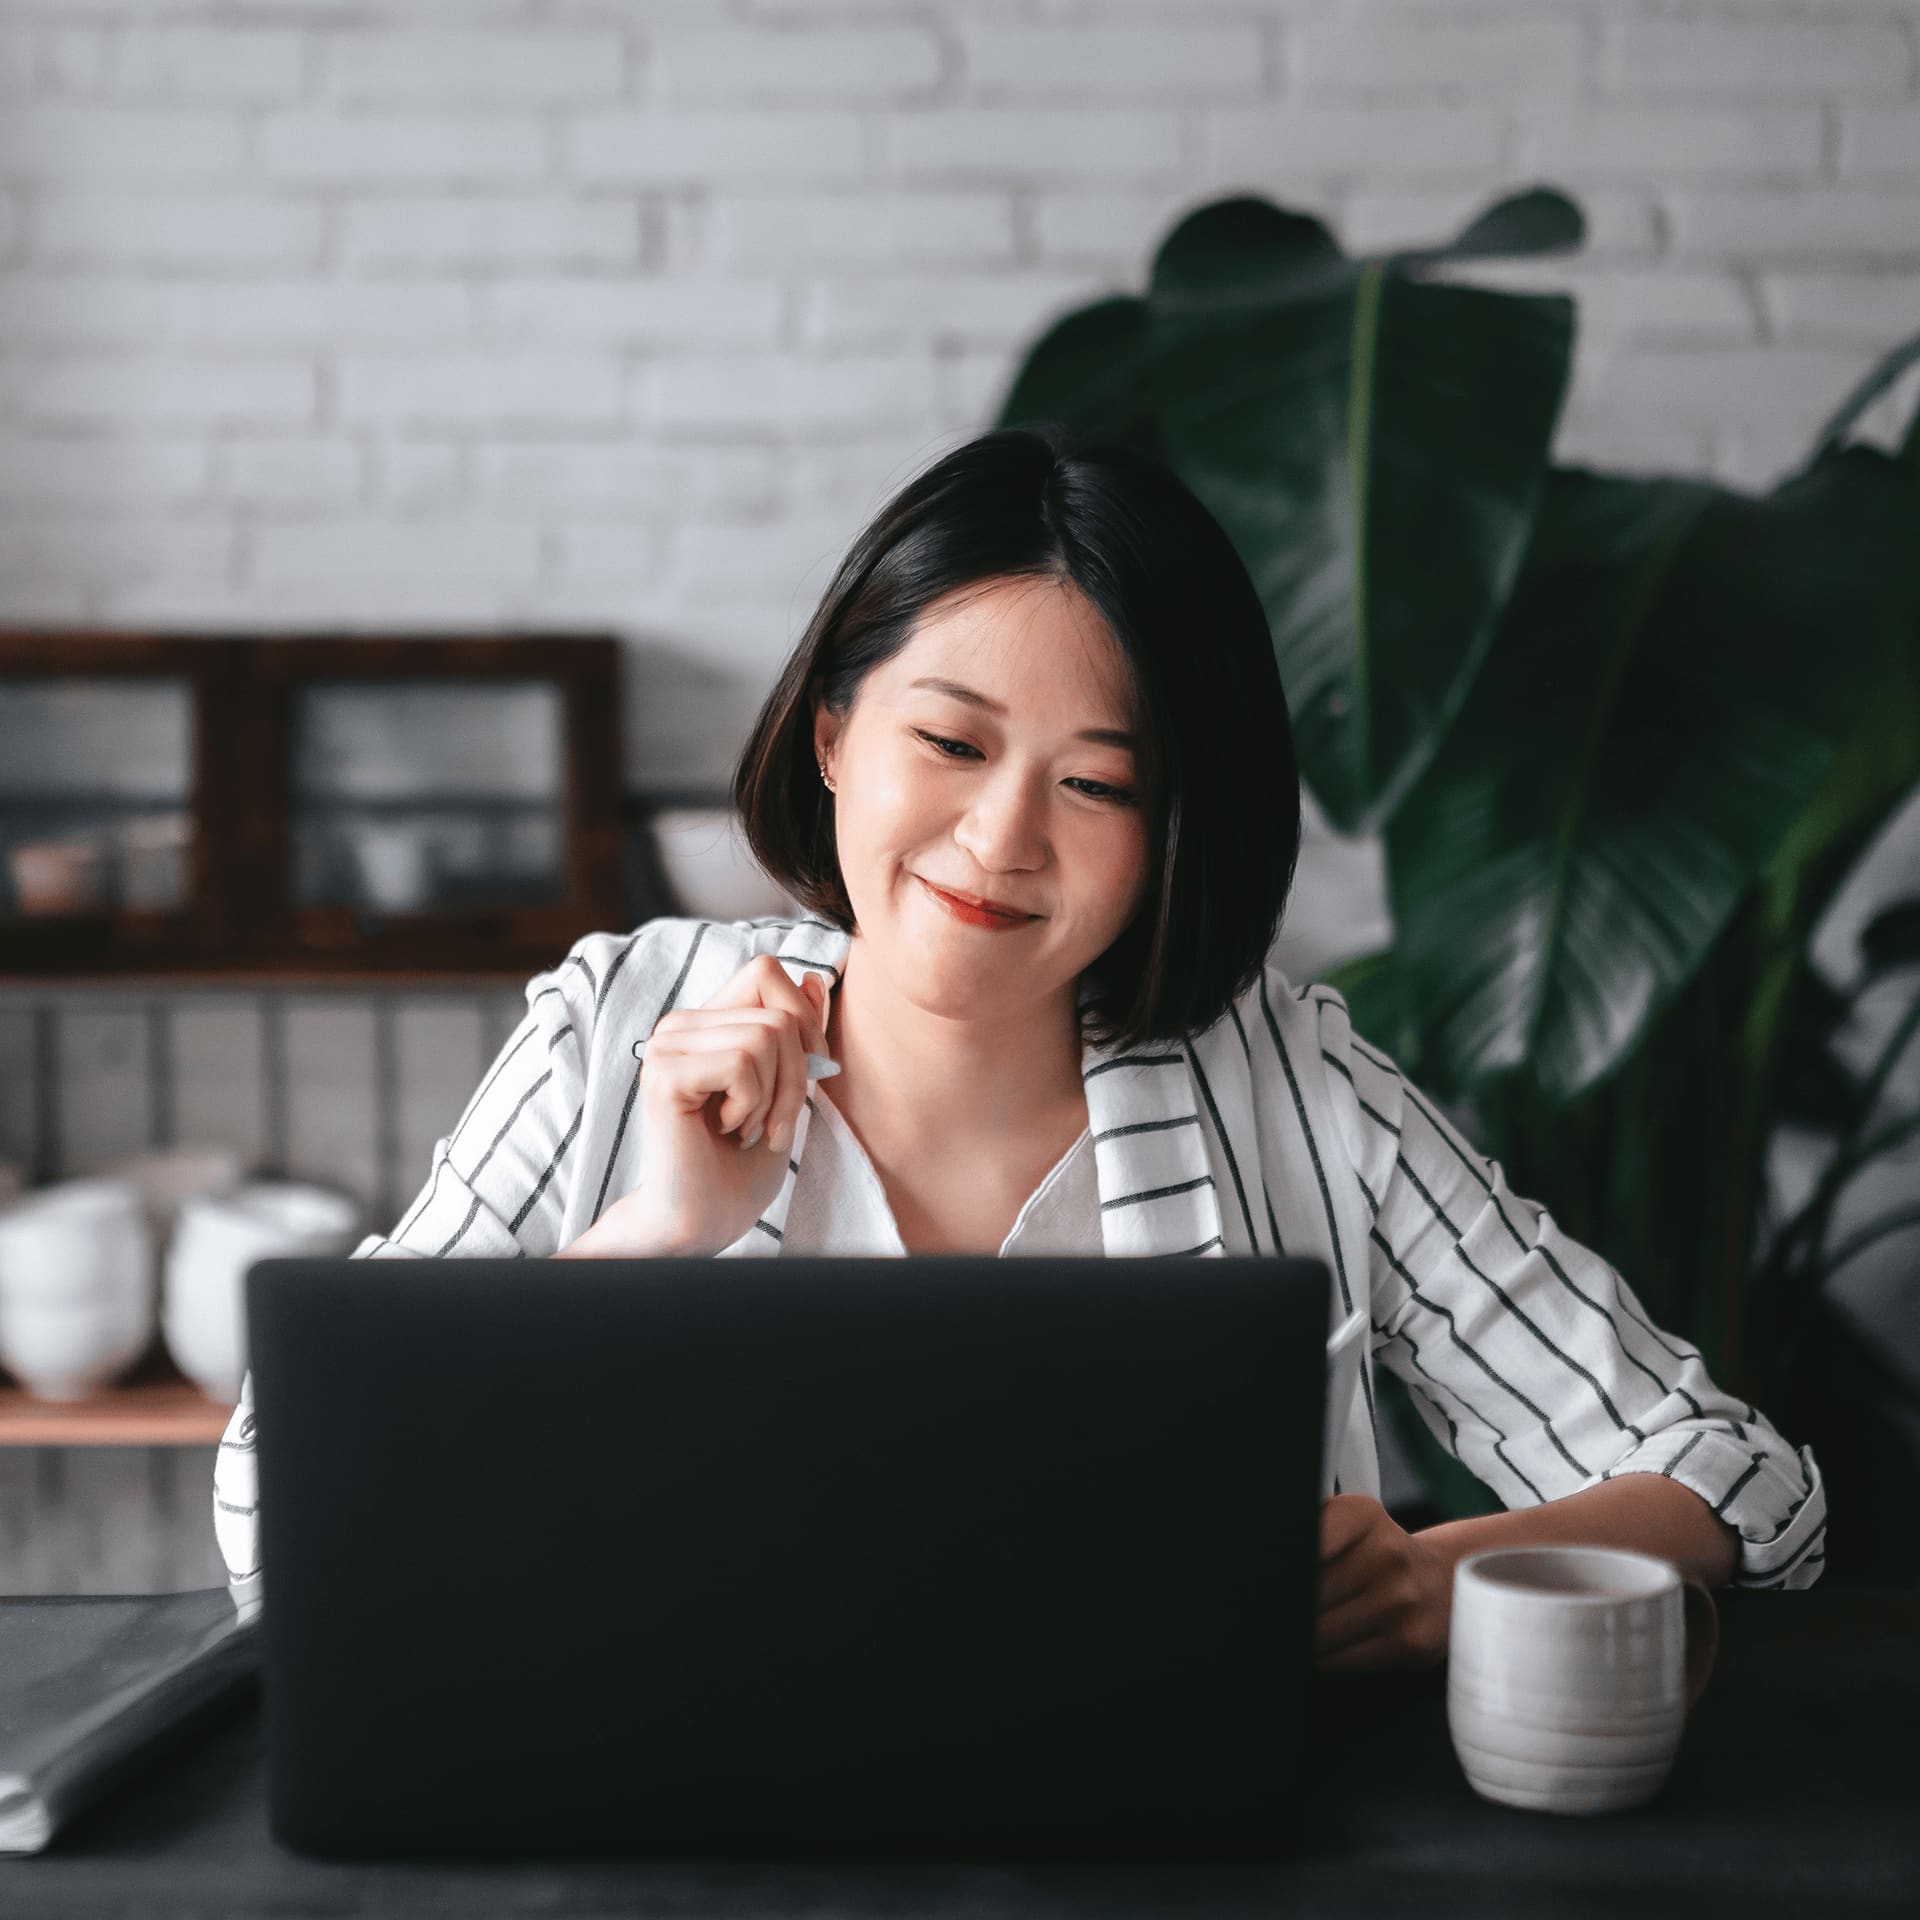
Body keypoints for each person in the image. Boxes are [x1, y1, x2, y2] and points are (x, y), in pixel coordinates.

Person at [214, 422, 1827, 1659]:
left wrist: (1431, 1575)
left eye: (1099, 783)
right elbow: (286, 1505)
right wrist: (651, 1238)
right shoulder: (619, 1026)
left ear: (1172, 829)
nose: (1002, 841)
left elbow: (1739, 1484)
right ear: (835, 736)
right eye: (951, 741)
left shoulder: (1291, 1085)